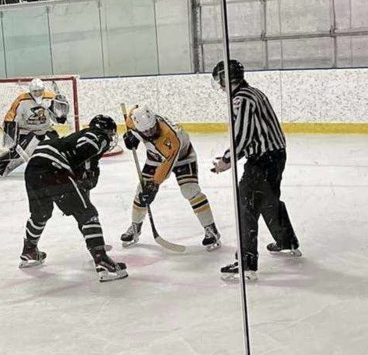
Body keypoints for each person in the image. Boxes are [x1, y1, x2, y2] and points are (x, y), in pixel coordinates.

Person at [212, 59, 300, 279]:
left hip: (262, 160)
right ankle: (286, 241)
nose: (220, 86)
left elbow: (242, 135)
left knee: (246, 207)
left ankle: (246, 263)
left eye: (220, 80)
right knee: (269, 201)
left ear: (226, 78)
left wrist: (227, 160)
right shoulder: (254, 92)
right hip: (276, 155)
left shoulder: (241, 100)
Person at [20, 114, 128, 282]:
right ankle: (102, 260)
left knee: (41, 214)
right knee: (87, 213)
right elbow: (85, 149)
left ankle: (29, 251)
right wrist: (75, 173)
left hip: (34, 167)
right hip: (55, 167)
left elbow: (86, 172)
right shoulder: (97, 136)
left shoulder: (77, 138)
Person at [121, 104, 220, 250]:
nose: (150, 132)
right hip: (155, 158)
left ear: (155, 121)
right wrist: (130, 135)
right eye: (145, 131)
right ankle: (135, 227)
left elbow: (166, 167)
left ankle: (211, 230)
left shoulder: (171, 136)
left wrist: (153, 186)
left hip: (183, 158)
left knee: (190, 190)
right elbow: (130, 116)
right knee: (140, 192)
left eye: (152, 128)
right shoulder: (135, 122)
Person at [0, 78, 70, 177]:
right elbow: (11, 118)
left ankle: (56, 168)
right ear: (30, 90)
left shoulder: (50, 98)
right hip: (27, 132)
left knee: (57, 147)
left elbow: (55, 117)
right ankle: (1, 165)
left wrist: (60, 116)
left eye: (40, 91)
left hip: (45, 130)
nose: (38, 93)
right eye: (35, 91)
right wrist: (13, 136)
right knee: (21, 153)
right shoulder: (22, 100)